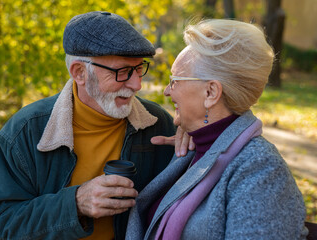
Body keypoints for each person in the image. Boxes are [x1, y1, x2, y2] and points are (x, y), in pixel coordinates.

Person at [0, 11, 192, 239]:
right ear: (79, 72)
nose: (136, 84)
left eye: (139, 69)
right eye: (123, 72)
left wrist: (197, 147)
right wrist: (76, 204)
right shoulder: (25, 132)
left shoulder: (158, 124)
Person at [126, 19, 308, 239]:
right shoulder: (194, 147)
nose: (166, 91)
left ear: (211, 92)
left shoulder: (261, 170)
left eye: (175, 80)